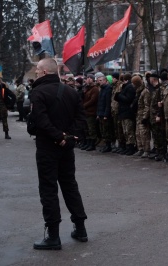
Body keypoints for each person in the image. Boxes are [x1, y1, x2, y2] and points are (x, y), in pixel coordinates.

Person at [30, 58, 87, 250]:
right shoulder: (71, 92)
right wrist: (68, 138)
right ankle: (80, 228)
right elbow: (81, 118)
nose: (36, 72)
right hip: (66, 147)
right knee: (70, 185)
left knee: (48, 189)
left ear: (45, 72)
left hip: (48, 146)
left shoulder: (38, 92)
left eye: (38, 70)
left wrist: (57, 137)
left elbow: (41, 120)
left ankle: (53, 235)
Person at [115, 73, 137, 156]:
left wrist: (119, 95)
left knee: (129, 131)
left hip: (127, 112)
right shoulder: (125, 87)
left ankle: (131, 147)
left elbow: (128, 99)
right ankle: (128, 147)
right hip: (123, 112)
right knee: (125, 131)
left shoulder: (130, 87)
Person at [133, 75, 151, 158]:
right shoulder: (138, 91)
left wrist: (145, 117)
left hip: (142, 115)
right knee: (138, 133)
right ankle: (140, 148)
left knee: (144, 134)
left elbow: (147, 105)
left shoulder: (145, 91)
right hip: (138, 114)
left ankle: (146, 150)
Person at [81, 74, 99, 151]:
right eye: (87, 78)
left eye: (89, 78)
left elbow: (93, 100)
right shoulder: (86, 88)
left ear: (92, 79)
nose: (88, 79)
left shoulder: (95, 89)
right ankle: (88, 143)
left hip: (91, 111)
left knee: (91, 128)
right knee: (86, 129)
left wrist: (84, 106)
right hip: (86, 112)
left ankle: (92, 144)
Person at [96, 74, 113, 153]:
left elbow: (107, 103)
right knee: (103, 130)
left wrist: (106, 114)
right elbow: (99, 102)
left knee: (107, 130)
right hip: (101, 112)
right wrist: (98, 113)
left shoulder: (108, 89)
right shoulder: (101, 89)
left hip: (105, 114)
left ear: (105, 81)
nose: (99, 82)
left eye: (101, 80)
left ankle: (108, 145)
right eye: (98, 81)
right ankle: (106, 144)